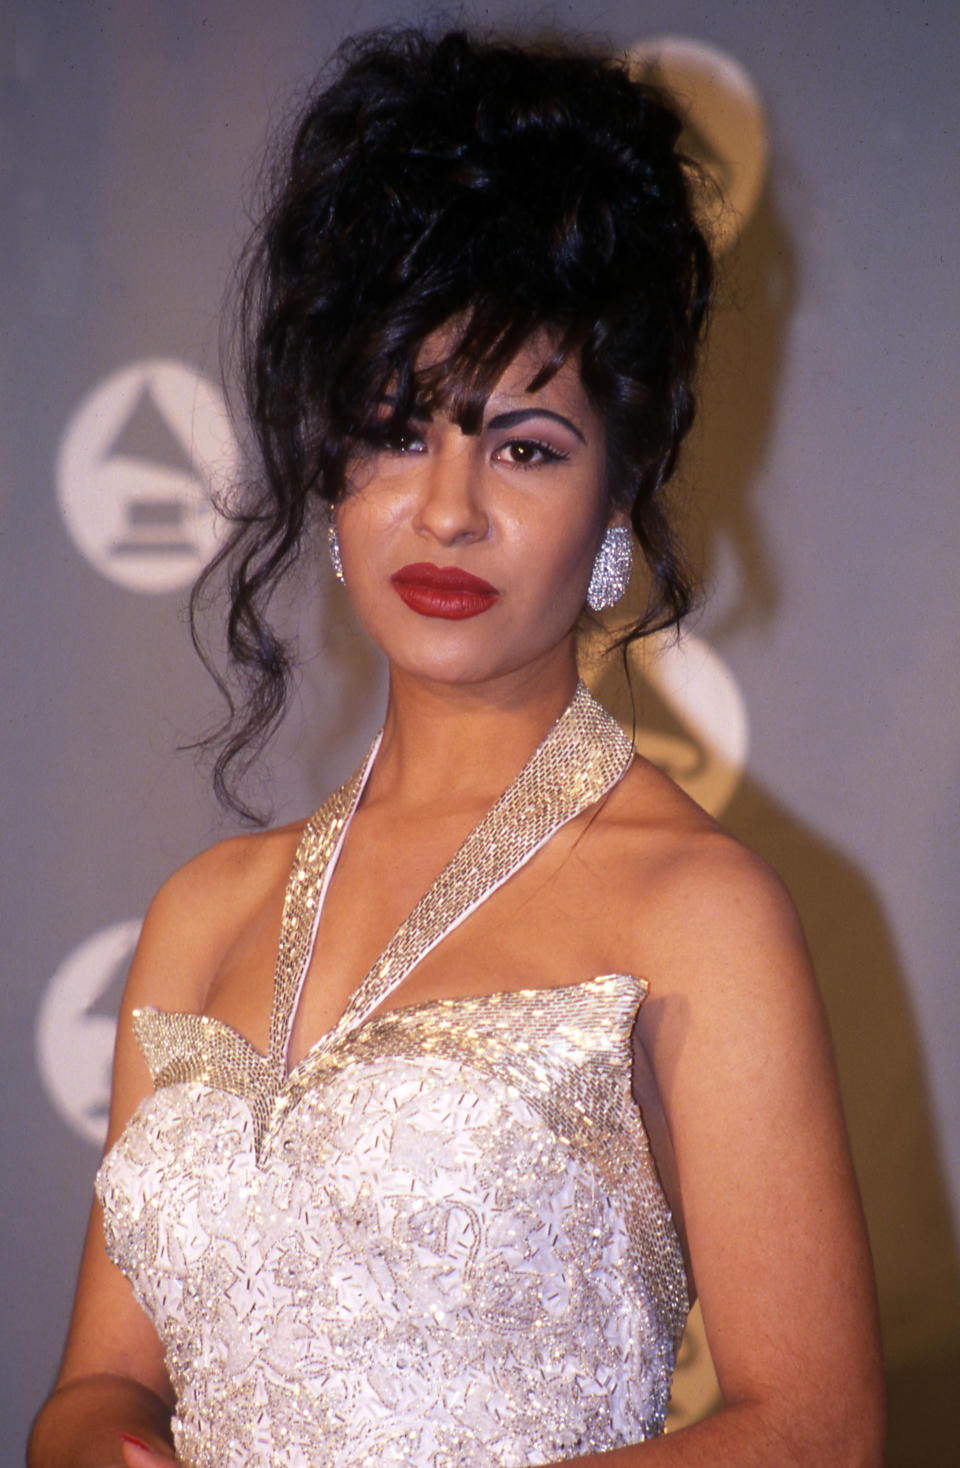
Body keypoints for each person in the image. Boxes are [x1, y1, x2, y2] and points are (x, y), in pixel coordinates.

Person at [29, 27, 885, 1468]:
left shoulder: (699, 910)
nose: (448, 509)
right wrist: (98, 1440)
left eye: (526, 446)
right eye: (395, 430)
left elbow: (819, 1431)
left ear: (620, 503)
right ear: (332, 470)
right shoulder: (202, 917)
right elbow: (97, 1387)